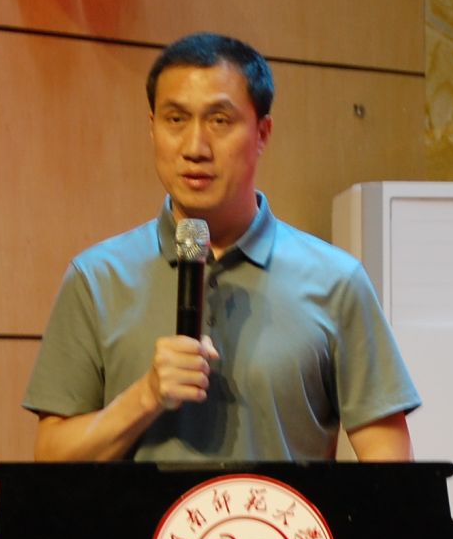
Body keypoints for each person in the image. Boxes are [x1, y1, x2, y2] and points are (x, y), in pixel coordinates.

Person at [24, 32, 419, 462]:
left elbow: (391, 468)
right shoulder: (96, 278)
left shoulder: (337, 281)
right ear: (152, 127)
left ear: (263, 133)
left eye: (219, 121)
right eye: (176, 119)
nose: (195, 148)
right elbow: (51, 457)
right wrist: (146, 396)